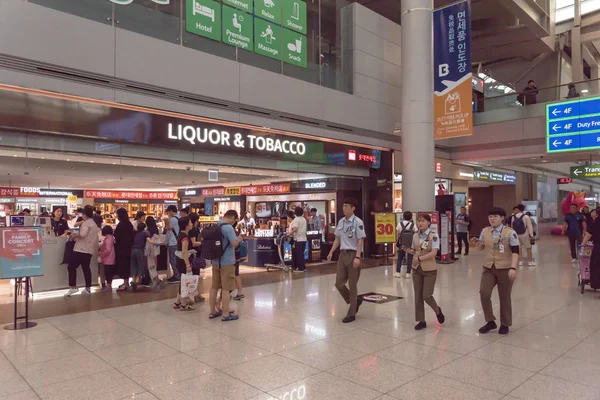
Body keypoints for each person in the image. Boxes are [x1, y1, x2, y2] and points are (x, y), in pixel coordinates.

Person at [478, 207, 519, 335]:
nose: (492, 219)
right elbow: (481, 247)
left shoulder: (510, 232)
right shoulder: (485, 231)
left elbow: (516, 252)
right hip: (489, 267)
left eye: (495, 216)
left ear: (502, 218)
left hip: (505, 268)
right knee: (484, 293)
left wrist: (513, 267)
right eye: (490, 216)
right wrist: (478, 244)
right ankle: (490, 321)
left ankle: (505, 323)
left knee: (504, 297)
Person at [327, 198, 366, 323]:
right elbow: (337, 239)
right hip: (342, 255)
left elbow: (360, 240)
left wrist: (358, 257)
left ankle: (352, 313)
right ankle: (355, 301)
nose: (344, 208)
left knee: (352, 285)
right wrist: (331, 251)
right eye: (343, 206)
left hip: (353, 254)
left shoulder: (358, 222)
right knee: (339, 283)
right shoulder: (341, 222)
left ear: (353, 208)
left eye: (346, 206)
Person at [403, 214, 445, 330]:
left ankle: (437, 310)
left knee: (426, 295)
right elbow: (415, 251)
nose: (420, 223)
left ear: (429, 223)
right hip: (416, 269)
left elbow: (433, 253)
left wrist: (420, 258)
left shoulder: (434, 236)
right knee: (418, 296)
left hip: (429, 269)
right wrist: (407, 250)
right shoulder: (415, 235)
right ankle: (421, 320)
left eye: (423, 221)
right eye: (418, 221)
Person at [208, 210, 243, 321]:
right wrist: (240, 239)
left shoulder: (216, 225)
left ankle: (212, 311)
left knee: (214, 287)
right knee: (226, 288)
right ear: (232, 217)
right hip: (227, 262)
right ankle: (226, 314)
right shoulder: (228, 228)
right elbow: (234, 243)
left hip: (215, 261)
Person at [64, 207, 99, 297]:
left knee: (71, 266)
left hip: (81, 249)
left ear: (85, 215)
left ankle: (73, 287)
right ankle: (88, 288)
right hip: (89, 250)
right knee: (86, 268)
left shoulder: (86, 223)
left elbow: (82, 235)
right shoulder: (94, 224)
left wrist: (73, 235)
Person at [174, 216, 195, 311]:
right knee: (184, 282)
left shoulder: (181, 234)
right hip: (183, 261)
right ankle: (183, 304)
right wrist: (188, 264)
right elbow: (184, 251)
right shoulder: (185, 237)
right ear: (186, 225)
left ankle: (177, 301)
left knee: (182, 280)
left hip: (180, 260)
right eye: (190, 222)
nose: (192, 224)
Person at [114, 208, 134, 291]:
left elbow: (117, 236)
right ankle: (126, 282)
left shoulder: (121, 225)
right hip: (128, 248)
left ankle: (125, 283)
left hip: (121, 249)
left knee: (123, 265)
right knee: (126, 265)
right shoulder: (129, 224)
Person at [396, 211, 416, 278]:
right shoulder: (413, 225)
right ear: (411, 217)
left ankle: (398, 272)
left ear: (403, 216)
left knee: (400, 258)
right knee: (410, 258)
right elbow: (416, 233)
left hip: (402, 244)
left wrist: (397, 242)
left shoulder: (400, 224)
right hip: (411, 244)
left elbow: (398, 234)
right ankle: (408, 273)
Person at [580, 221, 600, 289]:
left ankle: (597, 284)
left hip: (598, 249)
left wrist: (583, 244)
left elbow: (589, 234)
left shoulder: (597, 222)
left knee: (597, 267)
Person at [130, 222, 148, 292]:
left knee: (133, 265)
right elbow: (149, 240)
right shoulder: (144, 233)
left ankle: (133, 280)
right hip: (140, 251)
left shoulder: (135, 234)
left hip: (133, 250)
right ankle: (138, 281)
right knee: (140, 265)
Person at [166, 205, 181, 284]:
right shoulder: (180, 217)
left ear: (171, 211)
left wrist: (166, 241)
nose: (168, 213)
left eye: (169, 211)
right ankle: (178, 274)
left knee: (172, 260)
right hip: (178, 241)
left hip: (172, 242)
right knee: (178, 259)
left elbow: (168, 232)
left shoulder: (172, 219)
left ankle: (177, 275)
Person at [290, 206, 307, 272]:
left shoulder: (296, 219)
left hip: (298, 239)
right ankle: (303, 267)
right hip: (304, 239)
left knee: (298, 254)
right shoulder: (304, 219)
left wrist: (290, 232)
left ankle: (301, 268)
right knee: (301, 254)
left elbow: (295, 228)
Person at [99, 225, 116, 292]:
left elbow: (108, 250)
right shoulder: (112, 238)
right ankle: (109, 286)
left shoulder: (108, 239)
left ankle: (108, 287)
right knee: (109, 273)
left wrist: (101, 254)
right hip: (110, 258)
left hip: (108, 259)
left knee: (108, 273)